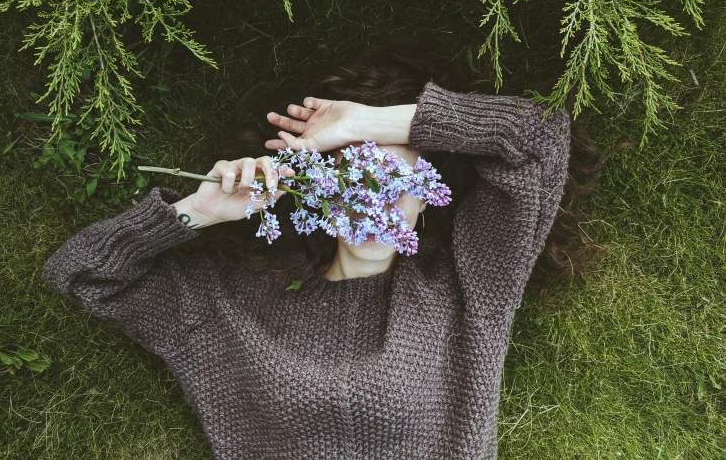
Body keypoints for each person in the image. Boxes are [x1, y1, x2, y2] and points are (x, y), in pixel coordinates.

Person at [43, 74, 572, 458]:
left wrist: (367, 123)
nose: (375, 203)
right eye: (356, 183)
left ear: (426, 201)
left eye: (396, 185)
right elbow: (83, 272)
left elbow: (538, 137)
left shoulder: (467, 290)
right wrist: (199, 211)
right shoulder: (234, 305)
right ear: (318, 195)